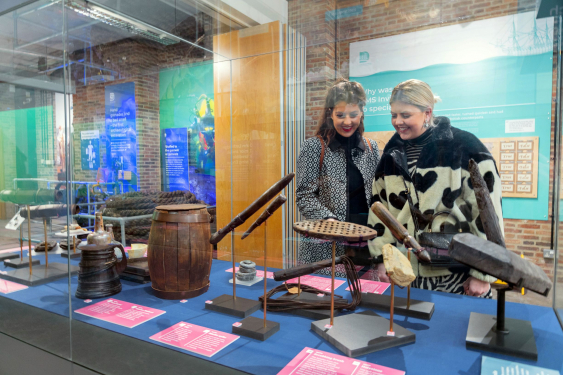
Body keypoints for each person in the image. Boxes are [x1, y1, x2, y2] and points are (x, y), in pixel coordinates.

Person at [367, 79, 503, 297]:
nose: (397, 121)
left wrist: (483, 273)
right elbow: (379, 212)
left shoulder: (466, 147)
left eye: (405, 115)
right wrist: (380, 259)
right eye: (394, 115)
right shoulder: (390, 156)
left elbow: (488, 215)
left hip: (457, 277)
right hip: (404, 274)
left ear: (427, 113)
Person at [296, 79, 380, 277]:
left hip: (365, 247)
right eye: (340, 115)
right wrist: (331, 222)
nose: (347, 122)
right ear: (330, 114)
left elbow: (378, 195)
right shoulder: (314, 147)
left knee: (363, 301)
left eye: (353, 114)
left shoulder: (371, 148)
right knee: (328, 300)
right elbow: (304, 196)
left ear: (361, 113)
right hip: (326, 246)